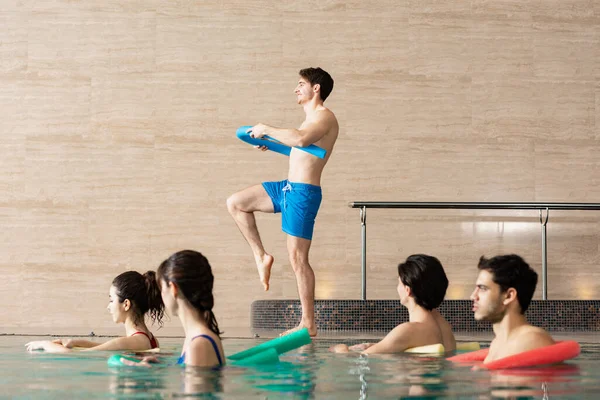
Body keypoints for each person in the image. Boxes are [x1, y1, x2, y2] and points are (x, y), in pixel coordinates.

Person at [227, 67, 338, 337]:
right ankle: (261, 255)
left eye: (301, 84)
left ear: (316, 89)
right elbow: (297, 149)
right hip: (287, 187)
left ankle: (308, 323)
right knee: (236, 202)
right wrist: (270, 143)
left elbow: (300, 139)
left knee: (298, 258)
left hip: (303, 193)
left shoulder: (324, 117)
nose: (296, 89)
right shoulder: (310, 120)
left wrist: (267, 129)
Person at [330, 254, 455, 354]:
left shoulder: (408, 330)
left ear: (408, 290)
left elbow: (360, 358)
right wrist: (376, 345)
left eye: (399, 283)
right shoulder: (444, 326)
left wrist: (340, 349)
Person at [25, 271, 164, 352]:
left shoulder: (130, 341)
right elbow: (104, 347)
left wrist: (44, 344)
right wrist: (76, 342)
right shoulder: (151, 339)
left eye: (111, 300)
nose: (108, 307)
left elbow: (77, 356)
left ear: (126, 304)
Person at [470, 254, 554, 362]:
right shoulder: (497, 344)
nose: (473, 296)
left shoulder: (531, 341)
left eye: (482, 288)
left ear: (509, 296)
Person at [157, 250, 225, 367]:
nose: (161, 295)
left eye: (162, 289)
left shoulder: (199, 344)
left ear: (173, 288)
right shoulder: (196, 338)